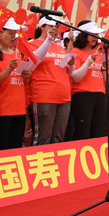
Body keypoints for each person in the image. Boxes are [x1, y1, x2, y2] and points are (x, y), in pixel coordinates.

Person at [28, 14, 74, 145]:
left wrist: (71, 65)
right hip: (44, 97)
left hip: (64, 97)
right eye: (51, 26)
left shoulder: (59, 47)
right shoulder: (33, 44)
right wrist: (48, 40)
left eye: (57, 26)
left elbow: (67, 72)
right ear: (42, 27)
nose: (55, 29)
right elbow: (33, 62)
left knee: (58, 139)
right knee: (43, 138)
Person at [0, 18, 31, 150]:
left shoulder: (17, 54)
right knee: (2, 146)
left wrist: (27, 76)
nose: (14, 37)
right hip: (3, 109)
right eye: (10, 33)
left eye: (15, 33)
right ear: (0, 33)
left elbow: (21, 82)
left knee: (16, 146)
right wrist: (9, 68)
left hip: (19, 108)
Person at [69, 20, 109, 140]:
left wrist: (104, 69)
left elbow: (106, 80)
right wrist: (87, 63)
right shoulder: (76, 52)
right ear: (83, 35)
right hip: (82, 95)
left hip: (100, 95)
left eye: (97, 35)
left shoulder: (99, 54)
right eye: (93, 34)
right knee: (83, 132)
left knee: (98, 132)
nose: (96, 37)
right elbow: (75, 77)